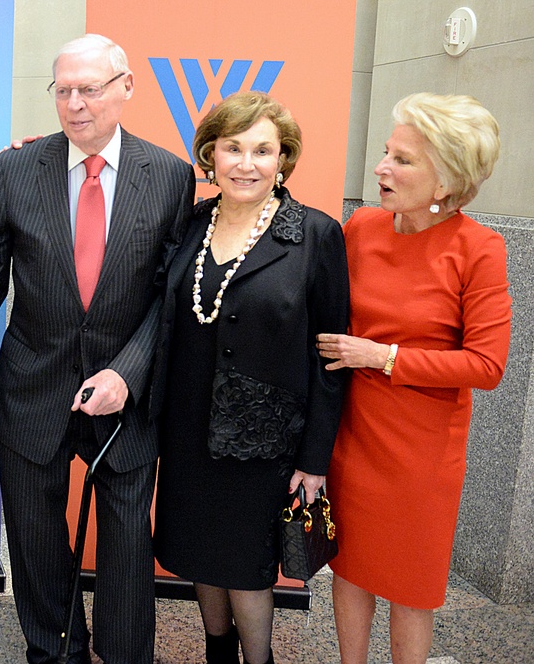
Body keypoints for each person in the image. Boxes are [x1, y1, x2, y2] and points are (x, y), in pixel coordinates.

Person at [0, 34, 194, 664]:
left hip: (126, 397)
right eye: (63, 90)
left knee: (126, 544)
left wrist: (127, 372)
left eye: (90, 89)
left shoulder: (171, 177)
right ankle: (54, 653)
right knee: (37, 543)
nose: (75, 104)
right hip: (32, 388)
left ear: (126, 87)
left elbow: (170, 295)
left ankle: (127, 656)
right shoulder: (16, 168)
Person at [151, 91, 350, 664]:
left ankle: (258, 660)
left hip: (264, 443)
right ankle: (218, 653)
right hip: (186, 431)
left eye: (263, 150)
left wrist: (315, 459)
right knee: (199, 555)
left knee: (246, 563)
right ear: (210, 155)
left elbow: (330, 360)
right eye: (232, 147)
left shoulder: (315, 235)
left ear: (283, 159)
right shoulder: (189, 224)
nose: (246, 162)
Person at [317, 93, 511, 664]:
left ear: (446, 181)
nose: (381, 168)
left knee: (411, 588)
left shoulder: (479, 249)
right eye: (385, 153)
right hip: (353, 436)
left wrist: (381, 357)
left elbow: (487, 365)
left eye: (402, 160)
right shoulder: (362, 228)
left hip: (422, 454)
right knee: (348, 571)